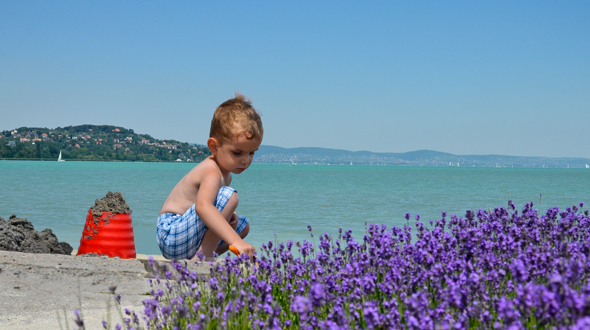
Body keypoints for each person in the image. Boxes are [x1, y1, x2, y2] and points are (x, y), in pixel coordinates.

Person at [157, 94, 262, 260]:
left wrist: (228, 216)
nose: (245, 160)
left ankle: (202, 255)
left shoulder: (225, 174)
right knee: (230, 197)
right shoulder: (211, 170)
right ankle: (204, 257)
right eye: (237, 152)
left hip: (186, 237)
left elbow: (208, 207)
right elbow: (203, 207)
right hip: (172, 233)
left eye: (252, 153)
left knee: (243, 226)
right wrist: (236, 241)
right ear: (214, 146)